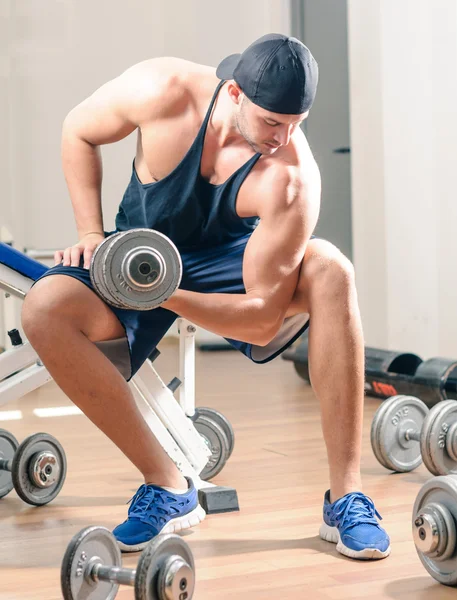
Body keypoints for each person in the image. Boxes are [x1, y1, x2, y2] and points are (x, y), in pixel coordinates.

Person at [21, 33, 390, 559]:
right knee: (42, 309)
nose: (282, 139)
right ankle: (167, 486)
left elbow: (263, 319)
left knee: (333, 269)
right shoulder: (164, 91)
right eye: (271, 122)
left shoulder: (290, 179)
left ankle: (346, 496)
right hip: (137, 252)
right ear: (235, 93)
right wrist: (89, 233)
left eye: (295, 126)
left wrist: (165, 295)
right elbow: (78, 130)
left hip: (228, 268)